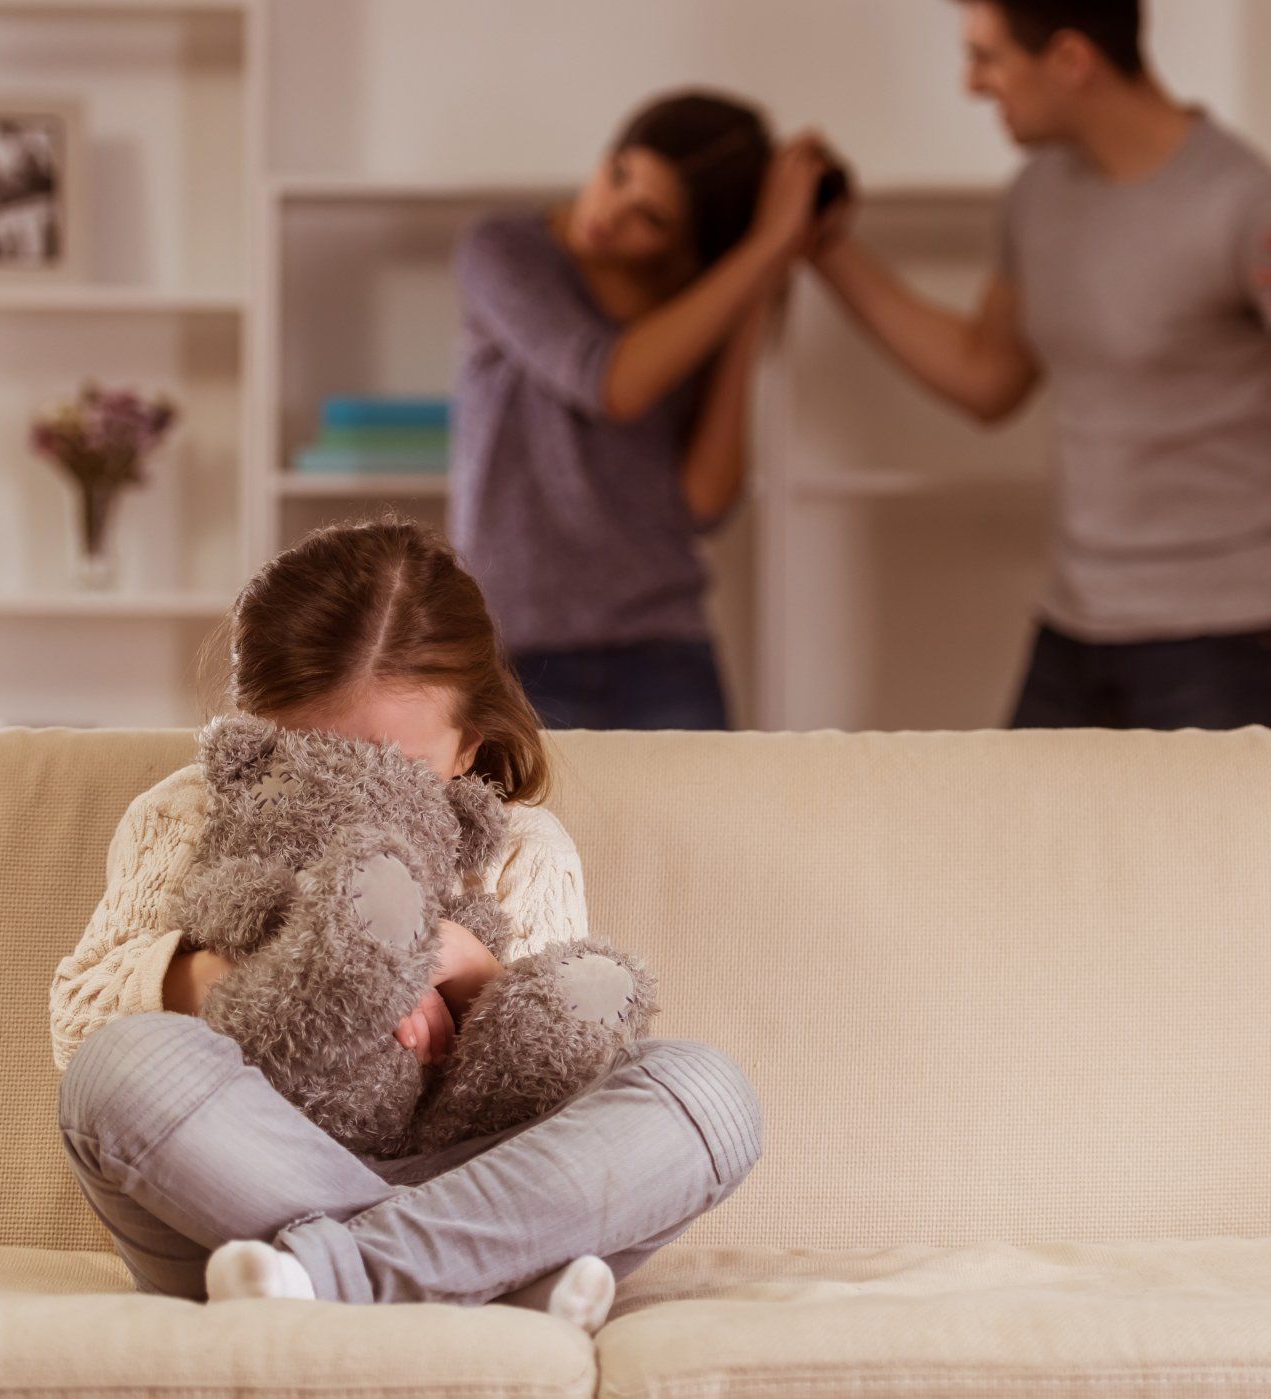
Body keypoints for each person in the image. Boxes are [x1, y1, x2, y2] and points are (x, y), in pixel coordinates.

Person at [50, 518, 762, 1321]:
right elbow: (79, 1022)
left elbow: (560, 1076)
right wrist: (306, 966)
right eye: (309, 755)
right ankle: (480, 1280)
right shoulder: (187, 812)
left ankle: (329, 1277)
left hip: (459, 1187)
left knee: (706, 1093)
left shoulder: (520, 848)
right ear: (250, 730)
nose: (354, 788)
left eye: (399, 764)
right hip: (233, 1199)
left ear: (469, 746)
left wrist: (471, 971)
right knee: (115, 1069)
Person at [810, 0, 1271, 731]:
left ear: (1071, 59)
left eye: (987, 57)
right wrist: (829, 252)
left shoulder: (1252, 209)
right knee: (1015, 823)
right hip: (1075, 625)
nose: (972, 83)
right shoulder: (1039, 196)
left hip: (1224, 641)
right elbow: (985, 376)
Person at [450, 90, 831, 730]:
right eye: (619, 172)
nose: (608, 211)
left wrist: (752, 292)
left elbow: (705, 500)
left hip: (665, 646)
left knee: (711, 805)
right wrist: (767, 246)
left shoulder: (697, 300)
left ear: (685, 245)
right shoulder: (504, 249)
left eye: (650, 217)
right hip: (516, 649)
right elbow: (607, 382)